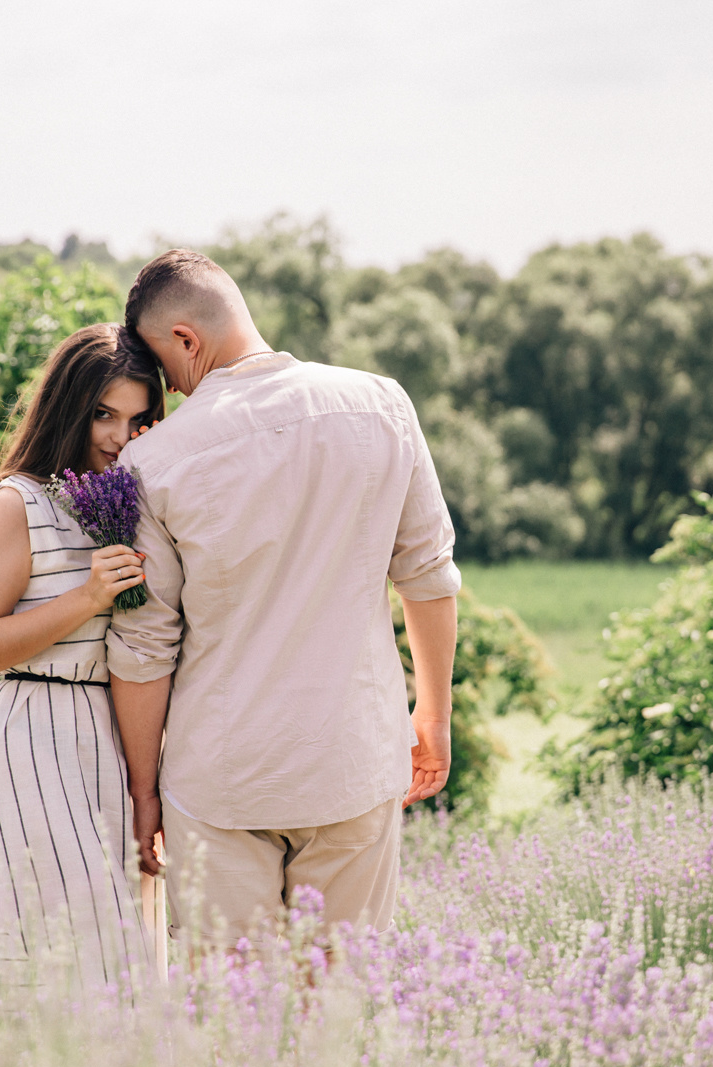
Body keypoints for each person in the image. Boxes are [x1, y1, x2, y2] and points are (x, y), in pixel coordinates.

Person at [108, 249, 460, 943]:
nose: (171, 392)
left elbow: (145, 644)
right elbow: (429, 575)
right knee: (339, 1014)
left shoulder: (150, 462)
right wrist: (434, 715)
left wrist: (143, 792)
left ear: (187, 339)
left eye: (166, 369)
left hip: (220, 781)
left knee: (234, 1026)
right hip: (353, 761)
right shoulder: (382, 404)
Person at [0, 323, 164, 993]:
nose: (119, 435)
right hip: (32, 736)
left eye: (138, 417)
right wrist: (88, 597)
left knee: (122, 959)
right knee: (50, 959)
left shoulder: (130, 499)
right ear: (69, 406)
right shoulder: (20, 501)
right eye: (103, 413)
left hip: (111, 740)